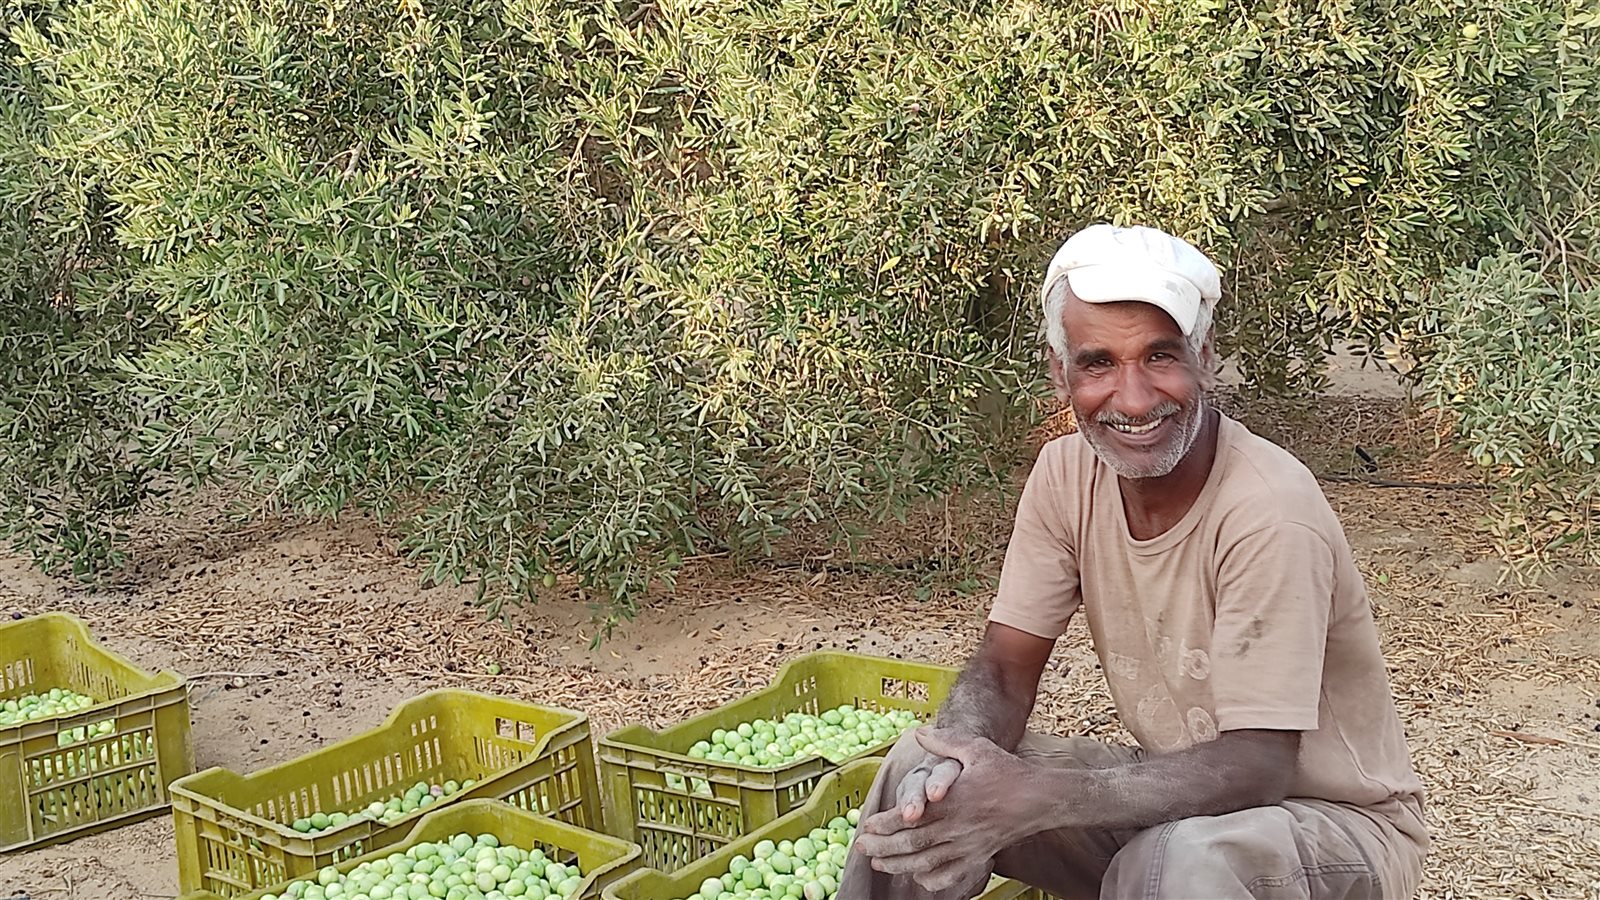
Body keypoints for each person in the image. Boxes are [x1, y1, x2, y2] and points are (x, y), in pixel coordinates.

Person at [838, 224, 1429, 899]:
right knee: (924, 765)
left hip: (1334, 829)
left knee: (1177, 864)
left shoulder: (1268, 509)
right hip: (1181, 803)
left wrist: (1042, 796)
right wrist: (954, 772)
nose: (1136, 399)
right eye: (1098, 363)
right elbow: (1003, 669)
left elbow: (1260, 764)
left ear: (1204, 358)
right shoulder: (1064, 476)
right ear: (1059, 372)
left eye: (1160, 357)